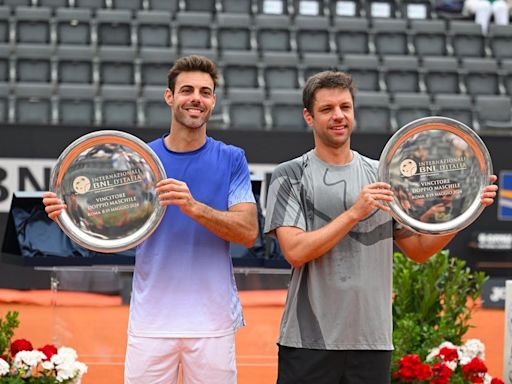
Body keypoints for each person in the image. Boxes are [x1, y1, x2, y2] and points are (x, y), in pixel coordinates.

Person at [263, 70, 498, 384]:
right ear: (309, 116)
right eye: (327, 109)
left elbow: (417, 250)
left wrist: (468, 210)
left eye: (345, 107)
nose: (338, 116)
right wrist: (354, 213)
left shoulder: (383, 174)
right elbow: (294, 252)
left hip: (372, 341)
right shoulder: (289, 175)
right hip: (309, 341)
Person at [43, 55, 259, 384]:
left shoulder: (232, 159)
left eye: (205, 91)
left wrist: (193, 206)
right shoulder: (138, 160)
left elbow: (247, 232)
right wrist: (69, 216)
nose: (196, 98)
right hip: (151, 323)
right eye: (187, 90)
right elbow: (110, 228)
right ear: (169, 96)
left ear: (213, 100)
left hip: (212, 323)